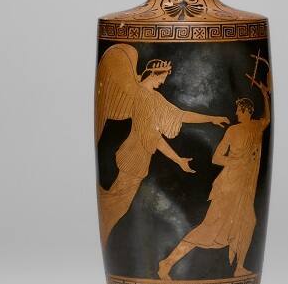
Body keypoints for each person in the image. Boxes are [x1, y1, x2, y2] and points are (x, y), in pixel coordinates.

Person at [95, 44, 229, 246]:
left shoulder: (154, 98)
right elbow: (153, 136)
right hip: (133, 156)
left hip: (140, 156)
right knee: (118, 202)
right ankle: (107, 236)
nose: (164, 81)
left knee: (119, 201)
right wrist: (178, 158)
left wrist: (211, 119)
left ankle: (107, 234)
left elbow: (179, 115)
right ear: (153, 74)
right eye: (162, 77)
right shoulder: (141, 96)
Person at [158, 75, 270, 279]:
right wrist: (236, 161)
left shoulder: (255, 127)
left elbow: (267, 120)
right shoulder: (233, 131)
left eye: (239, 110)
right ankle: (167, 263)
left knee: (248, 223)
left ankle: (239, 267)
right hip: (228, 185)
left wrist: (264, 93)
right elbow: (217, 158)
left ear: (246, 111)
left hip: (244, 187)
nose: (236, 113)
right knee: (208, 230)